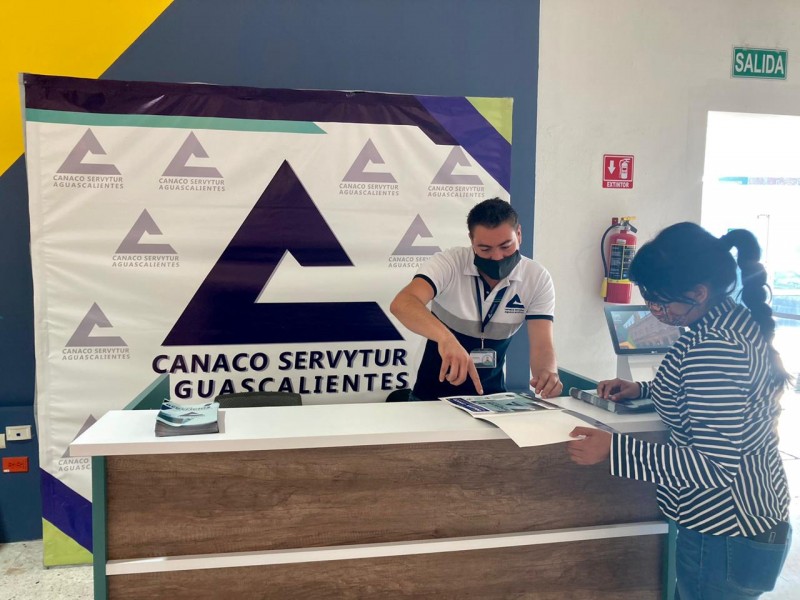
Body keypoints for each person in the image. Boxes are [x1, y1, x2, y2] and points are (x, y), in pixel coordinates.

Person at [567, 222, 792, 599]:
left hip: (724, 532)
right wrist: (644, 389)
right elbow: (717, 398)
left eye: (660, 301)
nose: (654, 311)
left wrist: (613, 449)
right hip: (743, 523)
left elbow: (713, 465)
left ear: (699, 292)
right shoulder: (728, 320)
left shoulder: (716, 347)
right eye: (648, 299)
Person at [390, 198, 562, 401]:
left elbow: (542, 345)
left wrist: (547, 375)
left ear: (519, 234)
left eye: (506, 246)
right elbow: (403, 303)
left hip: (492, 398)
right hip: (429, 395)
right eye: (485, 249)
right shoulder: (450, 263)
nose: (497, 257)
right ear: (471, 241)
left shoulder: (537, 278)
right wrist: (446, 339)